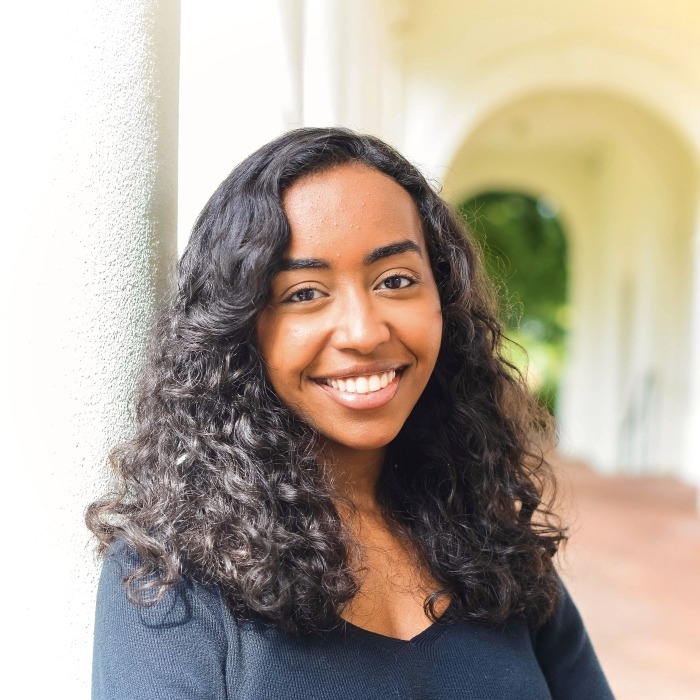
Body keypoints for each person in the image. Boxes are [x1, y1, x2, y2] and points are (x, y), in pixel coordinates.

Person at [87, 127, 614, 699]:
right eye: (304, 293)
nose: (364, 332)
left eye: (395, 281)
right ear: (239, 328)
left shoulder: (492, 541)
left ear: (445, 299)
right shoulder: (170, 576)